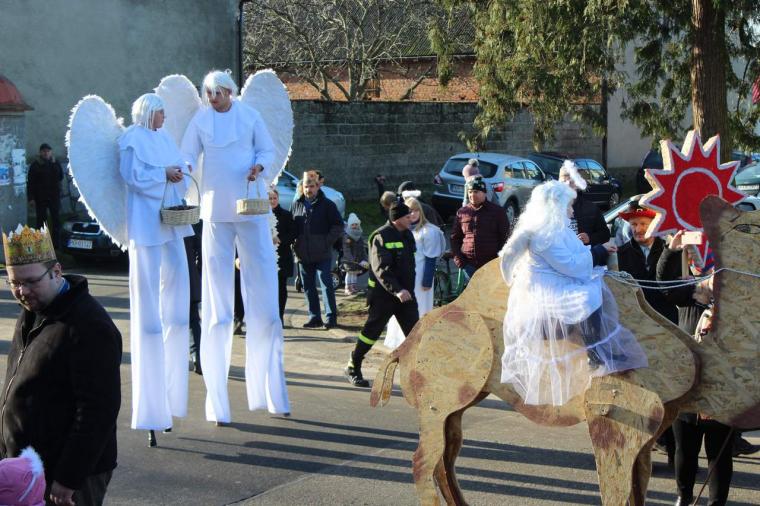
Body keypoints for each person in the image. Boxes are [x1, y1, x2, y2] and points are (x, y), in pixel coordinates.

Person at [181, 69, 290, 424]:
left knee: (265, 300)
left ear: (229, 91)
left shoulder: (250, 115)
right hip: (215, 210)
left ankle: (272, 391)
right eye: (208, 93)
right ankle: (217, 400)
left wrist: (260, 166)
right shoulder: (201, 120)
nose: (212, 99)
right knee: (217, 305)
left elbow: (267, 149)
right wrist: (181, 169)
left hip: (251, 207)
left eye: (217, 93)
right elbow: (187, 154)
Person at [1, 224, 121, 506]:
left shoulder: (90, 325)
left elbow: (98, 411)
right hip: (25, 468)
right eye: (14, 283)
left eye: (31, 281)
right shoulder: (33, 311)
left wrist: (69, 477)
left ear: (56, 271)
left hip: (65, 476)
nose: (22, 291)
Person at [498, 181, 647, 406]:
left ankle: (598, 349)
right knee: (586, 299)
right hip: (549, 288)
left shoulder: (559, 229)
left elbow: (576, 252)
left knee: (595, 286)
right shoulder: (543, 235)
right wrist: (598, 251)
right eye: (568, 205)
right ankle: (595, 354)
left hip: (562, 278)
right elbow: (571, 265)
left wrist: (595, 250)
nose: (571, 210)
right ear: (555, 206)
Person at [119, 93, 193, 433]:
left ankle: (173, 391)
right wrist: (164, 173)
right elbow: (132, 176)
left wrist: (181, 171)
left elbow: (179, 164)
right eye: (161, 112)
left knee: (177, 282)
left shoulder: (164, 137)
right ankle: (151, 405)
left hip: (171, 217)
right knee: (148, 290)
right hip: (146, 221)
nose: (165, 117)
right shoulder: (131, 139)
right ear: (148, 113)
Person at [657, 232, 735, 506]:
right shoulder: (689, 291)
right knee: (685, 447)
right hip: (687, 379)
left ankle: (716, 502)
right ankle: (684, 495)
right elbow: (664, 285)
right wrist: (671, 250)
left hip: (722, 383)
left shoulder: (737, 298)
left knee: (719, 451)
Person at [345, 199, 418, 387]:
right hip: (384, 296)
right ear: (396, 219)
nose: (411, 218)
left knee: (416, 335)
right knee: (371, 333)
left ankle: (418, 376)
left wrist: (407, 290)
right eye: (407, 216)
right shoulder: (380, 236)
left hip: (406, 296)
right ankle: (354, 365)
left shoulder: (408, 235)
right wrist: (397, 290)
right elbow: (381, 269)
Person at [384, 196, 446, 350]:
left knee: (419, 308)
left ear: (420, 211)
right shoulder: (400, 231)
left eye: (415, 210)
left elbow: (431, 258)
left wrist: (427, 281)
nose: (412, 214)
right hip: (403, 277)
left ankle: (418, 340)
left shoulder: (429, 231)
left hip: (419, 279)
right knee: (400, 307)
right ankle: (400, 341)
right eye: (409, 211)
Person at [291, 174, 345, 329]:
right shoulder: (296, 205)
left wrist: (326, 242)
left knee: (326, 285)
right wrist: (294, 244)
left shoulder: (327, 205)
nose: (309, 189)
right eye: (306, 187)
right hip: (303, 253)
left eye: (312, 186)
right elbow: (291, 226)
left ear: (317, 187)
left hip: (322, 253)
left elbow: (338, 225)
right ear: (302, 188)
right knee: (308, 286)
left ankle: (331, 318)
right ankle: (314, 317)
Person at [617, 202, 678, 324]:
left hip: (668, 320)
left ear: (654, 226)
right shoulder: (621, 254)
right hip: (637, 322)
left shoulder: (670, 251)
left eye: (643, 224)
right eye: (634, 224)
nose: (638, 229)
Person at [451, 176, 509, 278]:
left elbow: (505, 238)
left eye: (476, 192)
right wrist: (460, 261)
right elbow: (454, 238)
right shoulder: (462, 212)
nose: (472, 195)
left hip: (491, 265)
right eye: (470, 192)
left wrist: (499, 261)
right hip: (468, 265)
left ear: (484, 193)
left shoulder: (497, 212)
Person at [558, 160, 610, 246]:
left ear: (577, 184)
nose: (567, 185)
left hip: (584, 252)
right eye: (563, 182)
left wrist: (590, 238)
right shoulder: (551, 208)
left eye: (571, 182)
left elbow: (605, 234)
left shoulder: (590, 208)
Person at [26, 143, 64, 248]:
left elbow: (61, 176)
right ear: (40, 152)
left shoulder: (56, 162)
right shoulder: (35, 165)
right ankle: (41, 245)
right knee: (41, 221)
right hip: (40, 197)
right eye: (44, 151)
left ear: (51, 152)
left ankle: (56, 245)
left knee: (56, 220)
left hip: (54, 197)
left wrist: (54, 165)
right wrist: (31, 198)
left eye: (48, 151)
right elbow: (30, 183)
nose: (46, 153)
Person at [270, 187, 296, 323]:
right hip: (267, 257)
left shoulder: (286, 215)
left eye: (274, 198)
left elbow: (292, 234)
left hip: (282, 256)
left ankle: (280, 316)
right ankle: (269, 317)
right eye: (270, 198)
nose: (272, 201)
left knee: (281, 288)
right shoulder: (261, 216)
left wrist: (280, 239)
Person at [184, 221, 203, 375]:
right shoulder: (189, 222)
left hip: (170, 281)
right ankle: (198, 358)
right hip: (190, 279)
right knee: (193, 320)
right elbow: (200, 250)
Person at [342, 213, 369, 295]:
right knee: (349, 273)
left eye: (356, 224)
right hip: (349, 260)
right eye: (352, 224)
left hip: (358, 259)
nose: (354, 226)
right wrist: (351, 259)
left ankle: (353, 287)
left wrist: (365, 258)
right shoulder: (347, 236)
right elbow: (346, 249)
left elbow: (362, 248)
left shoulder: (359, 235)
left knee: (355, 273)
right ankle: (347, 287)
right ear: (349, 225)